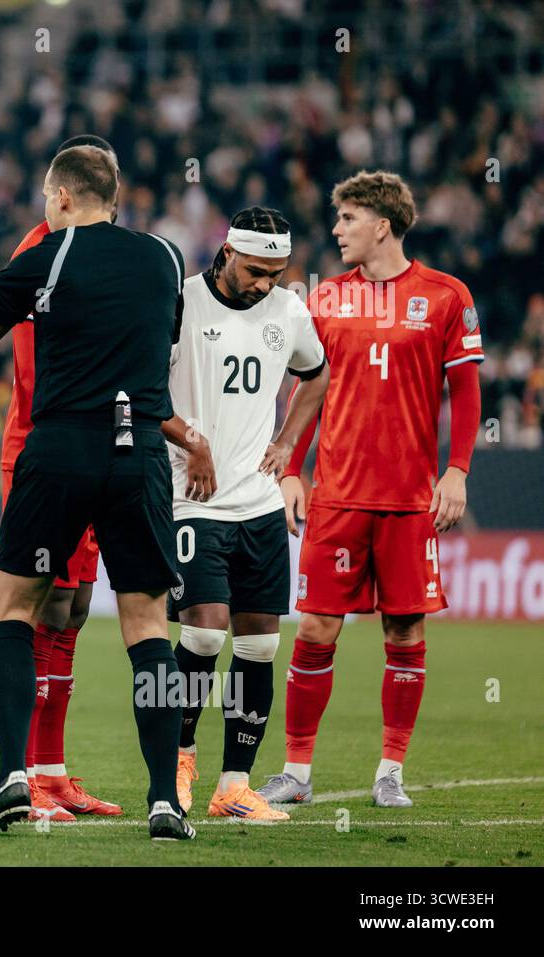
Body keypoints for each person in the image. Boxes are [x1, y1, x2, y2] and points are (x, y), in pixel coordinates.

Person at [0, 145, 192, 839]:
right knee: (148, 626)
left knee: (15, 610)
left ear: (61, 196)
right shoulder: (164, 257)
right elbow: (161, 339)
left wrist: (34, 310)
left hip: (60, 445)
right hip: (140, 450)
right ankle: (163, 799)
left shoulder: (48, 255)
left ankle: (11, 778)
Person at [259, 171, 483, 808]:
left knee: (405, 634)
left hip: (411, 499)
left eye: (348, 219)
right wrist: (292, 469)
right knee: (316, 631)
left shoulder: (446, 296)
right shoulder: (325, 299)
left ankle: (390, 771)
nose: (337, 230)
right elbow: (309, 388)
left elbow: (465, 392)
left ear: (381, 224)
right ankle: (297, 774)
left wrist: (458, 468)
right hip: (336, 496)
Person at [165, 207, 330, 822]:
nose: (266, 283)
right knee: (205, 632)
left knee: (259, 648)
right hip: (193, 501)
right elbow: (142, 388)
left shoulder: (288, 310)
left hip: (259, 505)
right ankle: (180, 758)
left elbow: (315, 374)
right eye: (257, 271)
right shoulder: (181, 303)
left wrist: (287, 444)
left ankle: (233, 786)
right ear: (228, 252)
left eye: (276, 272)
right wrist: (192, 442)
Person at [0, 134, 125, 822]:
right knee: (42, 608)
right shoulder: (41, 255)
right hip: (46, 446)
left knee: (72, 610)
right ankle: (20, 776)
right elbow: (31, 367)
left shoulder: (92, 253)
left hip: (90, 448)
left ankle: (52, 770)